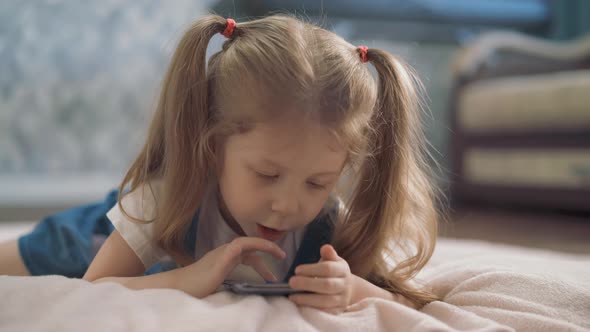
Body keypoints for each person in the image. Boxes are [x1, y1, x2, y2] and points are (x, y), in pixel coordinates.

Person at [0, 15, 441, 312]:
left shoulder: (326, 222)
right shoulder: (159, 200)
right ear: (212, 149)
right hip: (92, 237)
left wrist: (348, 287)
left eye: (317, 183)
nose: (288, 205)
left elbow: (394, 297)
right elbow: (94, 288)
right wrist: (188, 279)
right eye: (267, 175)